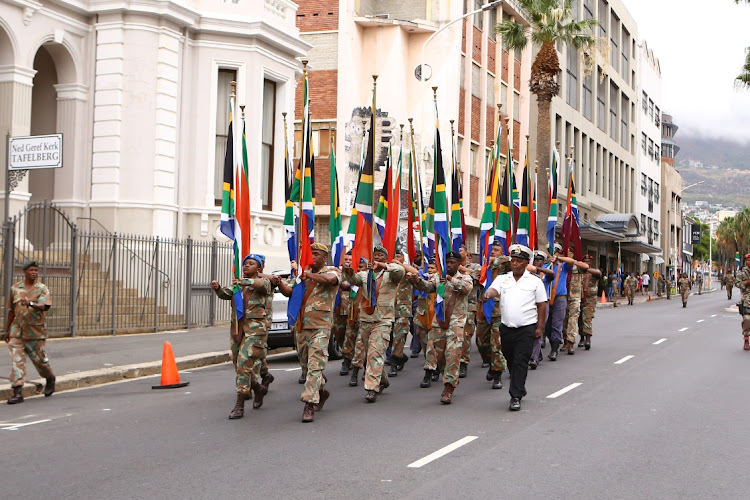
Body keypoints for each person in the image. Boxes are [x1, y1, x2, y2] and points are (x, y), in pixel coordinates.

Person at [275, 243, 341, 422]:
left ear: (324, 257)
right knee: (307, 367)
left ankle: (309, 404)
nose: (313, 257)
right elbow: (289, 291)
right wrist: (280, 282)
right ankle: (321, 391)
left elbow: (329, 281)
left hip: (320, 327)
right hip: (301, 327)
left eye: (316, 254)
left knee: (314, 366)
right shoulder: (301, 275)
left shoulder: (332, 270)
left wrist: (307, 274)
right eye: (310, 254)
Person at [484, 244, 547, 412]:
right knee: (510, 359)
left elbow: (542, 305)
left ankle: (515, 396)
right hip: (506, 328)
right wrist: (487, 294)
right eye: (513, 261)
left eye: (519, 261)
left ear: (526, 263)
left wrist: (540, 328)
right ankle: (519, 385)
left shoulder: (535, 281)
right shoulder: (503, 278)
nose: (515, 264)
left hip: (527, 328)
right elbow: (493, 290)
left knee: (520, 361)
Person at [211, 254, 272, 419]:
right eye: (245, 264)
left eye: (251, 264)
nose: (246, 266)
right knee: (238, 365)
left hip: (255, 330)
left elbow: (260, 283)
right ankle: (258, 389)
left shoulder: (263, 283)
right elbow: (226, 294)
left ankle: (239, 404)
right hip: (238, 329)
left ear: (258, 268)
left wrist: (246, 281)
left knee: (244, 363)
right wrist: (218, 288)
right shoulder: (238, 285)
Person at [408, 251, 473, 404]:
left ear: (458, 264)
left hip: (456, 321)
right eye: (447, 262)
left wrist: (451, 280)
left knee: (453, 353)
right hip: (439, 321)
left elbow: (467, 288)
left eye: (452, 262)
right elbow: (428, 287)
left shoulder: (464, 277)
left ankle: (449, 387)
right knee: (439, 355)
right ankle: (449, 374)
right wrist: (416, 281)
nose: (449, 265)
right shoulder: (438, 277)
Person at [342, 245, 404, 403]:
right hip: (365, 320)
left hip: (382, 321)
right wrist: (348, 270)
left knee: (375, 353)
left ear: (386, 258)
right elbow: (353, 280)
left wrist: (383, 266)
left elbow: (400, 271)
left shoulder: (391, 275)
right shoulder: (364, 275)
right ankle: (382, 379)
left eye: (380, 256)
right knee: (371, 354)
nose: (377, 258)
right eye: (375, 256)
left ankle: (371, 388)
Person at [4, 260, 55, 404]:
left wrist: (31, 303)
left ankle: (50, 377)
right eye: (31, 270)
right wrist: (7, 330)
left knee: (40, 361)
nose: (34, 272)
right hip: (17, 331)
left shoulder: (42, 288)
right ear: (24, 272)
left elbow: (45, 306)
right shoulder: (15, 288)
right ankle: (17, 391)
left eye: (36, 270)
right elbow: (11, 311)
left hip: (35, 332)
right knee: (17, 361)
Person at [476, 239, 509, 388]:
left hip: (498, 310)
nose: (493, 252)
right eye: (491, 250)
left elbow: (511, 260)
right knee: (481, 342)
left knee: (496, 344)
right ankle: (491, 363)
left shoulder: (503, 267)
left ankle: (498, 373)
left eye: (496, 250)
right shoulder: (483, 267)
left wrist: (496, 260)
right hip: (483, 309)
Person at [543, 243, 579, 360]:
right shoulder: (545, 266)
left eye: (555, 252)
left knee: (556, 325)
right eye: (550, 251)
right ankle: (553, 341)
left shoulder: (562, 266)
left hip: (559, 299)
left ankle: (554, 350)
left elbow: (571, 261)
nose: (552, 254)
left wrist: (558, 258)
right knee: (547, 326)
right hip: (546, 299)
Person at [387, 252, 419, 377]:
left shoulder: (406, 271)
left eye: (398, 256)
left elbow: (415, 273)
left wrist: (401, 265)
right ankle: (401, 356)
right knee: (388, 338)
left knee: (399, 337)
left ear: (403, 258)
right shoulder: (388, 271)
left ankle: (394, 363)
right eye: (394, 256)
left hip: (402, 311)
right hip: (388, 310)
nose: (396, 259)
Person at [458, 244, 482, 378]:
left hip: (469, 305)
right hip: (453, 306)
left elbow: (477, 279)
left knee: (465, 336)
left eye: (460, 250)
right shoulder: (450, 265)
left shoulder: (475, 267)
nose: (458, 252)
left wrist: (462, 269)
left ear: (467, 252)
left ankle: (463, 362)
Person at [561, 249, 590, 355]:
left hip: (574, 297)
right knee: (564, 320)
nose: (567, 254)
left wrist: (572, 261)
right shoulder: (561, 266)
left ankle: (571, 342)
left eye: (569, 253)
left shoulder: (577, 265)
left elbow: (586, 267)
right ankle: (565, 340)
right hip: (563, 296)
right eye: (565, 253)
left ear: (572, 254)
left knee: (573, 320)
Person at [414, 259, 438, 387]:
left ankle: (428, 372)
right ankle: (435, 365)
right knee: (425, 346)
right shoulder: (423, 277)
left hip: (435, 318)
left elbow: (431, 283)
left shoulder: (438, 279)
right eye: (428, 268)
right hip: (423, 317)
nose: (430, 271)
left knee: (430, 346)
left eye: (433, 268)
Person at [529, 251, 553, 369]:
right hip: (530, 304)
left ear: (544, 262)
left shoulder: (545, 273)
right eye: (535, 260)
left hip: (542, 305)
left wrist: (539, 268)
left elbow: (552, 274)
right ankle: (537, 353)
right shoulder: (528, 273)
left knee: (539, 329)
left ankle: (533, 357)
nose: (536, 262)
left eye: (539, 260)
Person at [577, 255, 602, 349]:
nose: (587, 262)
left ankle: (588, 339)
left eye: (588, 261)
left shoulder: (593, 271)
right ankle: (582, 337)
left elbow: (598, 274)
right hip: (579, 298)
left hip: (590, 299)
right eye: (585, 261)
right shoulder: (579, 272)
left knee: (587, 318)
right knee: (579, 319)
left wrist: (586, 269)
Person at [737, 255, 750, 350]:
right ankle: (746, 340)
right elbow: (737, 283)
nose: (749, 262)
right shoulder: (742, 273)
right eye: (748, 260)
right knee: (747, 320)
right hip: (746, 300)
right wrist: (746, 283)